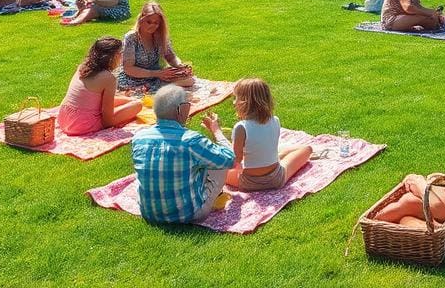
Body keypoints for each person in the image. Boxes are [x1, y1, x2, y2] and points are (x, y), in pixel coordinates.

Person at [131, 84, 235, 223]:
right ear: (180, 109)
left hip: (149, 213)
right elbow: (229, 159)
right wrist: (217, 131)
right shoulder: (191, 140)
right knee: (218, 163)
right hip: (189, 215)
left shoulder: (139, 138)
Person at [224, 78, 312, 191]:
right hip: (276, 179)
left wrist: (216, 131)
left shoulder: (241, 127)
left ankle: (278, 156)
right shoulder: (275, 120)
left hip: (248, 182)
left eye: (236, 98)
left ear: (246, 102)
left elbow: (235, 160)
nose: (234, 102)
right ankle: (278, 157)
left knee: (210, 168)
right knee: (307, 148)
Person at [58, 37, 143, 135]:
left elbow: (97, 100)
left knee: (130, 100)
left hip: (64, 118)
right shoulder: (108, 78)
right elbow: (107, 120)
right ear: (113, 56)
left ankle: (131, 101)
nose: (122, 56)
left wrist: (127, 101)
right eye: (120, 53)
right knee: (137, 105)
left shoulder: (83, 67)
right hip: (81, 124)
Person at [117, 1, 194, 91]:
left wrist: (180, 65)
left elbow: (170, 56)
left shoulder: (160, 36)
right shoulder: (131, 38)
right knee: (183, 82)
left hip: (157, 76)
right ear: (141, 19)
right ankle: (157, 88)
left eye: (156, 23)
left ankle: (161, 87)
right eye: (149, 22)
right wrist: (157, 73)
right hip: (134, 79)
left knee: (189, 80)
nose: (152, 26)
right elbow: (128, 69)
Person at [373, 174, 445, 228]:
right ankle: (418, 184)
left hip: (435, 209)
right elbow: (376, 220)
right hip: (437, 211)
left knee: (405, 218)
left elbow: (376, 220)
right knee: (405, 218)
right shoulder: (408, 202)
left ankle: (418, 184)